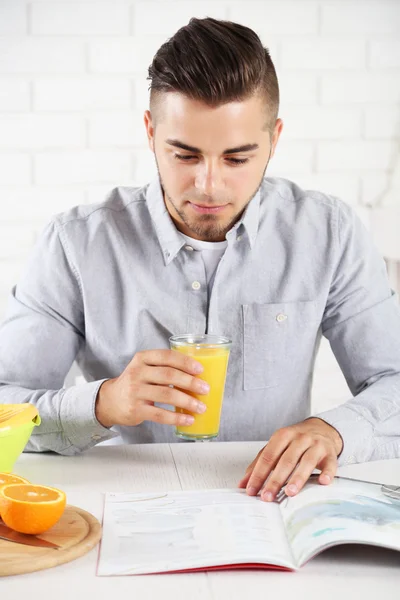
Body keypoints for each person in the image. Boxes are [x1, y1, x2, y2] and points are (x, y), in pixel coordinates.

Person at [1, 18, 399, 504]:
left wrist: (335, 430)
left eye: (237, 159)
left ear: (274, 139)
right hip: (127, 508)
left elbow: (394, 380)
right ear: (151, 133)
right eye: (184, 155)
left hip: (276, 509)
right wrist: (103, 403)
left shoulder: (330, 233)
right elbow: (6, 401)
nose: (209, 185)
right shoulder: (75, 244)